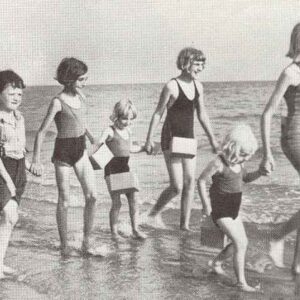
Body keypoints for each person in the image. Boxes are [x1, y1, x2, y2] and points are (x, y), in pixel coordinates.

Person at [30, 57, 100, 257]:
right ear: (69, 79)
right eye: (81, 80)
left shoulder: (82, 97)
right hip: (63, 152)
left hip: (80, 148)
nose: (84, 83)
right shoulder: (57, 102)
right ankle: (64, 246)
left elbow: (81, 122)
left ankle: (87, 240)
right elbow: (42, 132)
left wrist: (92, 137)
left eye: (85, 79)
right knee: (65, 200)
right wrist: (36, 159)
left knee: (93, 196)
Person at [145, 47, 218, 230]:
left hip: (188, 137)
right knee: (177, 186)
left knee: (190, 182)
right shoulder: (172, 86)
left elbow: (202, 115)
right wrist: (148, 140)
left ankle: (183, 226)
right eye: (197, 64)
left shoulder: (198, 87)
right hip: (170, 137)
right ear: (185, 63)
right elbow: (157, 113)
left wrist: (212, 140)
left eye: (203, 64)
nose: (200, 68)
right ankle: (152, 214)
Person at [197, 124, 265, 292]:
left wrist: (260, 172)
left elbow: (246, 178)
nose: (245, 158)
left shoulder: (239, 164)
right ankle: (241, 283)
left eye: (248, 155)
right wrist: (205, 204)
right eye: (243, 154)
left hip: (233, 209)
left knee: (241, 243)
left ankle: (216, 263)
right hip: (220, 210)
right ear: (232, 147)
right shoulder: (218, 163)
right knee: (240, 243)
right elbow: (201, 180)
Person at [261, 23, 300, 275]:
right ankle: (278, 236)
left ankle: (296, 264)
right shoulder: (291, 73)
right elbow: (267, 114)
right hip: (296, 136)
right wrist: (267, 152)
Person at [97, 99, 146, 240]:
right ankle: (114, 232)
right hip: (112, 169)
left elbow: (129, 148)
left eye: (131, 119)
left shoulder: (128, 131)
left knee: (133, 199)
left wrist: (143, 148)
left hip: (125, 168)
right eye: (125, 118)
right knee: (117, 202)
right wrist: (100, 143)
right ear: (117, 116)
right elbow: (99, 143)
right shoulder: (110, 130)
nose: (128, 122)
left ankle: (135, 229)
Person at [0, 70, 27, 278]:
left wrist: (29, 166)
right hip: (2, 171)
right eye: (11, 94)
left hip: (18, 170)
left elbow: (20, 149)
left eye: (19, 94)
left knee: (9, 219)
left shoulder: (20, 118)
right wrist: (8, 181)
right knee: (10, 215)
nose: (16, 98)